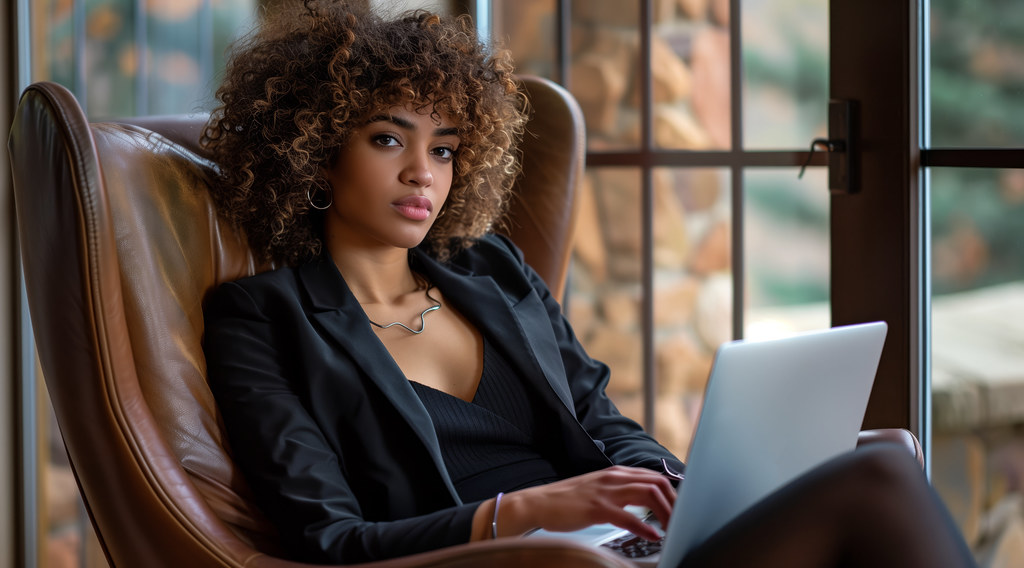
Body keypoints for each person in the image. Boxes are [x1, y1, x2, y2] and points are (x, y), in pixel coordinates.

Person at [200, 1, 977, 566]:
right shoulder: (262, 318)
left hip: (613, 549)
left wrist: (678, 485)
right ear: (314, 154)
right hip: (511, 562)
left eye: (443, 149)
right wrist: (523, 514)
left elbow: (601, 422)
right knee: (875, 478)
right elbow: (331, 542)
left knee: (881, 448)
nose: (421, 174)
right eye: (386, 140)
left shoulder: (491, 270)